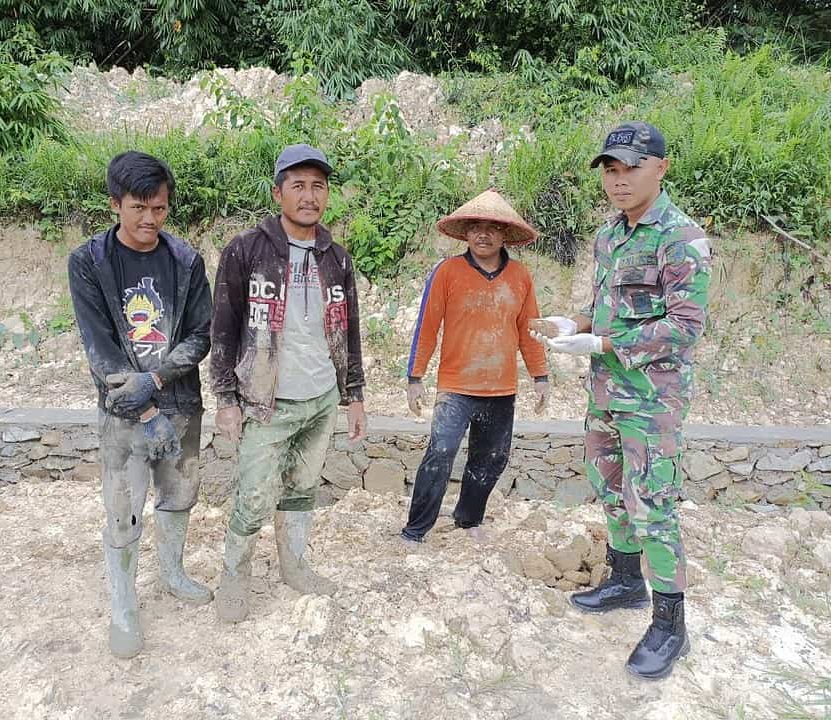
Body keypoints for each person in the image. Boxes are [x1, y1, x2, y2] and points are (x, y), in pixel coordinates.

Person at [533, 122, 712, 680]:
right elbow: (608, 308)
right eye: (610, 169)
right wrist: (576, 323)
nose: (618, 179)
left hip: (652, 400)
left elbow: (685, 326)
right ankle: (626, 579)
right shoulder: (611, 235)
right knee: (610, 487)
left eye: (631, 167)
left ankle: (669, 624)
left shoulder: (680, 237)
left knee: (652, 503)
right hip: (606, 391)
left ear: (660, 168)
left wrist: (605, 342)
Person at [209, 144, 367, 623]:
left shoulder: (336, 259)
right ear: (278, 192)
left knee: (302, 488)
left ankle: (294, 565)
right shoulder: (246, 251)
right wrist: (225, 398)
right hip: (264, 400)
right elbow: (224, 326)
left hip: (319, 397)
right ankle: (234, 577)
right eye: (297, 185)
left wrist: (354, 395)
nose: (309, 195)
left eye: (318, 185)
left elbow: (350, 329)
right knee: (254, 496)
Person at [68, 151, 214, 658]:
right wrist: (144, 409)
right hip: (123, 413)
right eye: (139, 207)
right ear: (115, 204)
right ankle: (124, 600)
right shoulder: (89, 263)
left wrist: (156, 378)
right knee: (123, 506)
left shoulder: (186, 260)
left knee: (179, 494)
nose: (150, 219)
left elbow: (201, 334)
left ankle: (172, 572)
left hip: (180, 400)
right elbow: (100, 349)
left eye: (160, 208)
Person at [401, 189, 551, 542]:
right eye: (475, 227)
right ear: (465, 233)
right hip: (455, 386)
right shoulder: (447, 272)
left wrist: (540, 376)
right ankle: (416, 529)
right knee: (440, 451)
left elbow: (529, 330)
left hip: (502, 388)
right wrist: (415, 376)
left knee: (492, 458)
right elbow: (427, 325)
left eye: (492, 228)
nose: (483, 234)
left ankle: (468, 520)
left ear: (505, 235)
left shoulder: (520, 277)